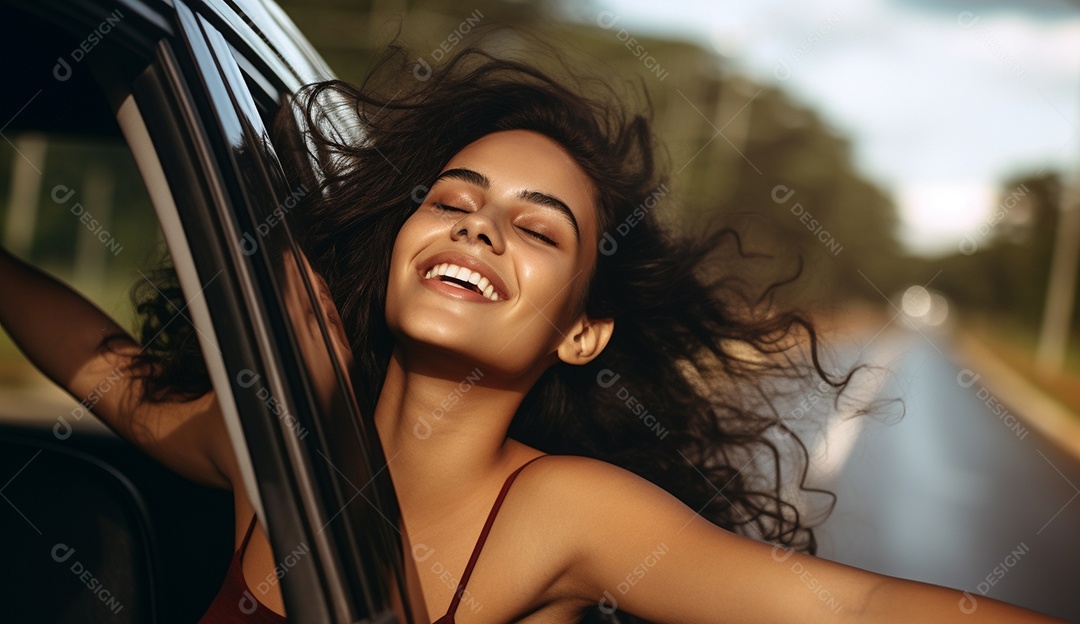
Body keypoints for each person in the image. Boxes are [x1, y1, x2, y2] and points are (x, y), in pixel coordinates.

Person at [0, 36, 1063, 623]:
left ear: (581, 333)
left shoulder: (561, 511)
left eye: (536, 229)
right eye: (454, 197)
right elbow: (115, 378)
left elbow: (859, 607)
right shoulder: (271, 438)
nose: (478, 224)